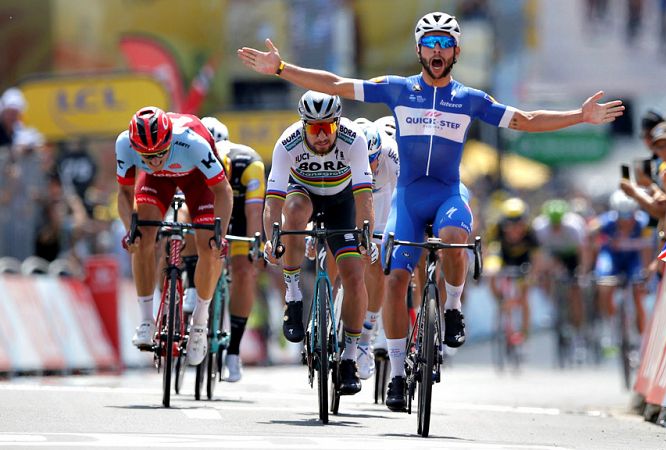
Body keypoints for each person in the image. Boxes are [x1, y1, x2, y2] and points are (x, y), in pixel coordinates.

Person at [238, 11, 624, 411]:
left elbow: (524, 119)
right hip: (408, 197)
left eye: (444, 44)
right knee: (394, 279)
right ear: (419, 50)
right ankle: (400, 374)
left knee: (456, 238)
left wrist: (580, 116)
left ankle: (453, 305)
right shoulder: (397, 90)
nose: (437, 50)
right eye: (430, 43)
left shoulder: (469, 98)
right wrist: (281, 68)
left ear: (455, 51)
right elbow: (335, 85)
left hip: (446, 194)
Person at [263, 91, 375, 395]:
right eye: (315, 128)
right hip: (305, 194)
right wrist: (271, 238)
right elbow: (273, 201)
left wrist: (366, 235)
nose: (323, 135)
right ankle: (294, 294)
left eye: (329, 127)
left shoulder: (354, 139)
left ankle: (350, 357)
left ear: (338, 123)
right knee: (294, 213)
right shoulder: (287, 143)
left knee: (354, 274)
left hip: (342, 202)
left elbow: (365, 198)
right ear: (303, 126)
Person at [116, 106, 233, 367]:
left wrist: (220, 235)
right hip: (157, 183)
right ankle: (147, 320)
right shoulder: (125, 144)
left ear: (169, 140)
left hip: (198, 181)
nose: (155, 160)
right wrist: (129, 230)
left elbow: (223, 192)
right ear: (135, 146)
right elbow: (124, 195)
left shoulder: (193, 143)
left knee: (209, 247)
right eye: (147, 156)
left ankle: (200, 323)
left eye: (159, 153)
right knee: (142, 239)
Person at [187, 116, 264, 382]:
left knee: (244, 272)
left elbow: (255, 212)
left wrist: (256, 245)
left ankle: (233, 351)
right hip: (208, 207)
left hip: (240, 214)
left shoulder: (249, 162)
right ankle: (191, 288)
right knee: (191, 236)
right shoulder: (191, 160)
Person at [351, 117, 399, 380]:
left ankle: (366, 336)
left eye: (373, 159)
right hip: (348, 195)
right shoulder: (346, 154)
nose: (370, 166)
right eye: (364, 161)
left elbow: (402, 196)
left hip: (383, 201)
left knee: (377, 262)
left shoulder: (390, 153)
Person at [591, 191, 650, 338]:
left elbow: (647, 249)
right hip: (612, 258)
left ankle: (641, 335)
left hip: (633, 259)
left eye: (629, 215)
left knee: (638, 292)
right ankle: (610, 325)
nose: (626, 220)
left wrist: (647, 270)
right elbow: (590, 231)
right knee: (605, 285)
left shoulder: (644, 223)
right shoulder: (607, 221)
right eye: (621, 216)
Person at [533, 199, 590, 332]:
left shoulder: (573, 227)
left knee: (575, 290)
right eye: (553, 224)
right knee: (544, 275)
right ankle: (551, 304)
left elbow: (583, 251)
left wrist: (583, 271)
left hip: (572, 255)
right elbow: (539, 253)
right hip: (555, 255)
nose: (556, 227)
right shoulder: (539, 227)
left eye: (558, 223)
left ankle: (579, 326)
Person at [485, 197, 538, 338]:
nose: (514, 228)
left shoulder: (531, 232)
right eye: (510, 224)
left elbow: (537, 258)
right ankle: (501, 301)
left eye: (518, 223)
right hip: (503, 257)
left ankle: (524, 331)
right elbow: (488, 249)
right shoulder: (496, 228)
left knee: (525, 295)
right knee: (490, 273)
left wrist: (532, 275)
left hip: (523, 261)